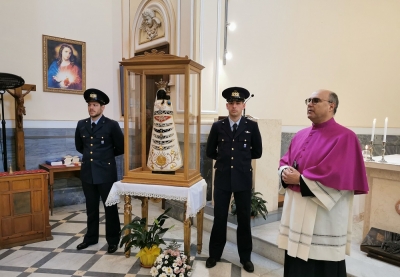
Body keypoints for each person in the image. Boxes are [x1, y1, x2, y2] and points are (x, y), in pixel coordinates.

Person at [277, 89, 369, 277]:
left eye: (316, 100)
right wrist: (284, 171)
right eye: (308, 100)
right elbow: (286, 161)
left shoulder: (345, 137)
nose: (310, 104)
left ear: (331, 106)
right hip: (296, 213)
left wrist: (300, 180)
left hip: (323, 219)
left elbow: (340, 176)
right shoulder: (300, 135)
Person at [205, 87, 263, 273]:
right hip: (222, 178)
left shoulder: (251, 127)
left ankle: (245, 258)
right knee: (219, 218)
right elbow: (209, 151)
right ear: (227, 105)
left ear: (243, 105)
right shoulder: (218, 126)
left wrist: (241, 162)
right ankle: (214, 254)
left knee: (244, 220)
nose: (235, 106)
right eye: (231, 103)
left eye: (238, 103)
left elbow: (257, 152)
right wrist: (223, 162)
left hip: (243, 179)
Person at [75, 88, 124, 253]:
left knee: (110, 208)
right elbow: (79, 147)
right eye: (90, 105)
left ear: (102, 108)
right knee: (91, 208)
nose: (91, 108)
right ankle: (90, 238)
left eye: (95, 105)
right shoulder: (81, 124)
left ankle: (113, 240)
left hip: (106, 174)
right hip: (88, 173)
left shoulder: (111, 125)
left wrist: (104, 157)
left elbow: (121, 147)